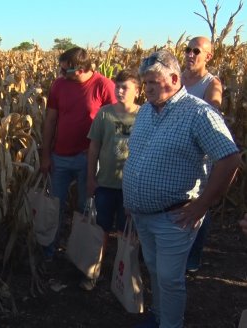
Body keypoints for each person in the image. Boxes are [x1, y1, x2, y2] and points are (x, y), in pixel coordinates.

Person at [122, 50, 240, 328]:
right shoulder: (146, 113)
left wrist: (202, 205)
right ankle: (160, 316)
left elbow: (230, 158)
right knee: (155, 271)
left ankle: (171, 324)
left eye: (152, 82)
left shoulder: (199, 113)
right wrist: (132, 198)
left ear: (174, 79)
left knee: (170, 278)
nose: (147, 89)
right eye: (145, 82)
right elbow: (137, 156)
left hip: (175, 216)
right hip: (143, 213)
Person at [41, 47, 116, 260]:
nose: (62, 74)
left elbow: (115, 123)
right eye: (61, 69)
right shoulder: (59, 85)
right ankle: (49, 250)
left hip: (88, 160)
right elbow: (51, 120)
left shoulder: (104, 85)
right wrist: (46, 155)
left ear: (82, 68)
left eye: (67, 71)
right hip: (60, 157)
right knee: (55, 207)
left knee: (86, 209)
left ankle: (83, 256)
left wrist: (101, 154)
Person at [85, 69, 140, 290]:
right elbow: (94, 146)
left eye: (125, 87)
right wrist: (90, 177)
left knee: (128, 234)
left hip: (132, 188)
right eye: (117, 86)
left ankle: (124, 277)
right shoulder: (104, 114)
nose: (119, 90)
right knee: (101, 230)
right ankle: (94, 272)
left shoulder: (145, 115)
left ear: (137, 90)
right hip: (106, 183)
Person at [182, 36, 223, 273]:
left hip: (199, 155)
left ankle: (193, 258)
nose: (190, 54)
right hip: (175, 150)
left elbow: (213, 111)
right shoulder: (178, 78)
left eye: (196, 51)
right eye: (187, 50)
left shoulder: (211, 84)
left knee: (199, 202)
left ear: (208, 56)